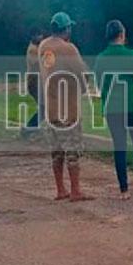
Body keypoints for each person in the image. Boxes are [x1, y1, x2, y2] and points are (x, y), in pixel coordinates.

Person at [94, 20, 133, 200]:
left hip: (112, 109)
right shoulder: (132, 55)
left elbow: (99, 84)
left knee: (119, 147)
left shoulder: (101, 58)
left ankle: (124, 190)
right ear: (122, 35)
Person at [39, 12, 94, 202]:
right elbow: (82, 74)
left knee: (56, 152)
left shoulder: (43, 46)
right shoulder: (69, 49)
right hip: (68, 108)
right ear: (67, 28)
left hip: (51, 108)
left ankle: (60, 189)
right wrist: (84, 88)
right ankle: (76, 190)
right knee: (73, 151)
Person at [23, 27, 46, 136]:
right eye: (38, 35)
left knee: (44, 108)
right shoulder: (33, 49)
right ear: (33, 36)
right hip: (33, 82)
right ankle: (29, 129)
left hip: (37, 82)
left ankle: (30, 129)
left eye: (41, 34)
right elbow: (39, 62)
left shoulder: (37, 48)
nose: (41, 37)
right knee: (44, 108)